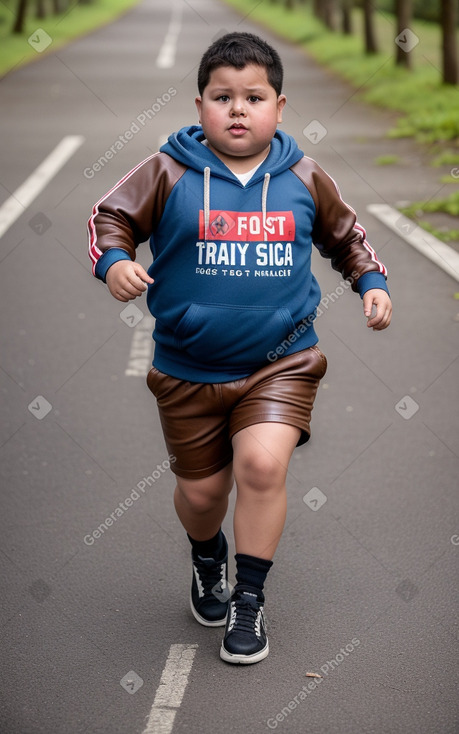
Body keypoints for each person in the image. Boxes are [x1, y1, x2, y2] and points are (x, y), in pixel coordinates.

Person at [88, 31, 392, 665]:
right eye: (222, 96)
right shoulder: (166, 170)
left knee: (261, 467)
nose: (237, 108)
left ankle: (248, 600)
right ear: (199, 104)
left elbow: (346, 237)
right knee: (203, 496)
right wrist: (115, 261)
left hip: (280, 362)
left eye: (254, 97)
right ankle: (207, 558)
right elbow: (110, 217)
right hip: (186, 366)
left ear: (280, 106)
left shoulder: (305, 177)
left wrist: (370, 282)